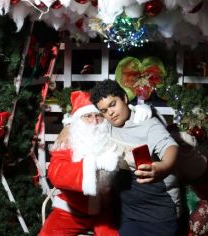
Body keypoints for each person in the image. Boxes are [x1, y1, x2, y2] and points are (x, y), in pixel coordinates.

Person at [39, 90, 152, 236]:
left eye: (98, 115)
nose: (94, 121)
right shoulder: (68, 141)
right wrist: (95, 164)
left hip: (105, 210)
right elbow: (56, 173)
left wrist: (140, 112)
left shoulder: (110, 134)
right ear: (78, 119)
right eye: (87, 116)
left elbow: (123, 117)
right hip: (70, 211)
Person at [90, 79, 181, 236]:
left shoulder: (147, 123)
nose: (110, 113)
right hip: (128, 213)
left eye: (113, 104)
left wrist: (163, 167)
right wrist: (67, 129)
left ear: (124, 98)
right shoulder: (107, 126)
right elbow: (81, 117)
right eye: (104, 111)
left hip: (159, 214)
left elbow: (170, 147)